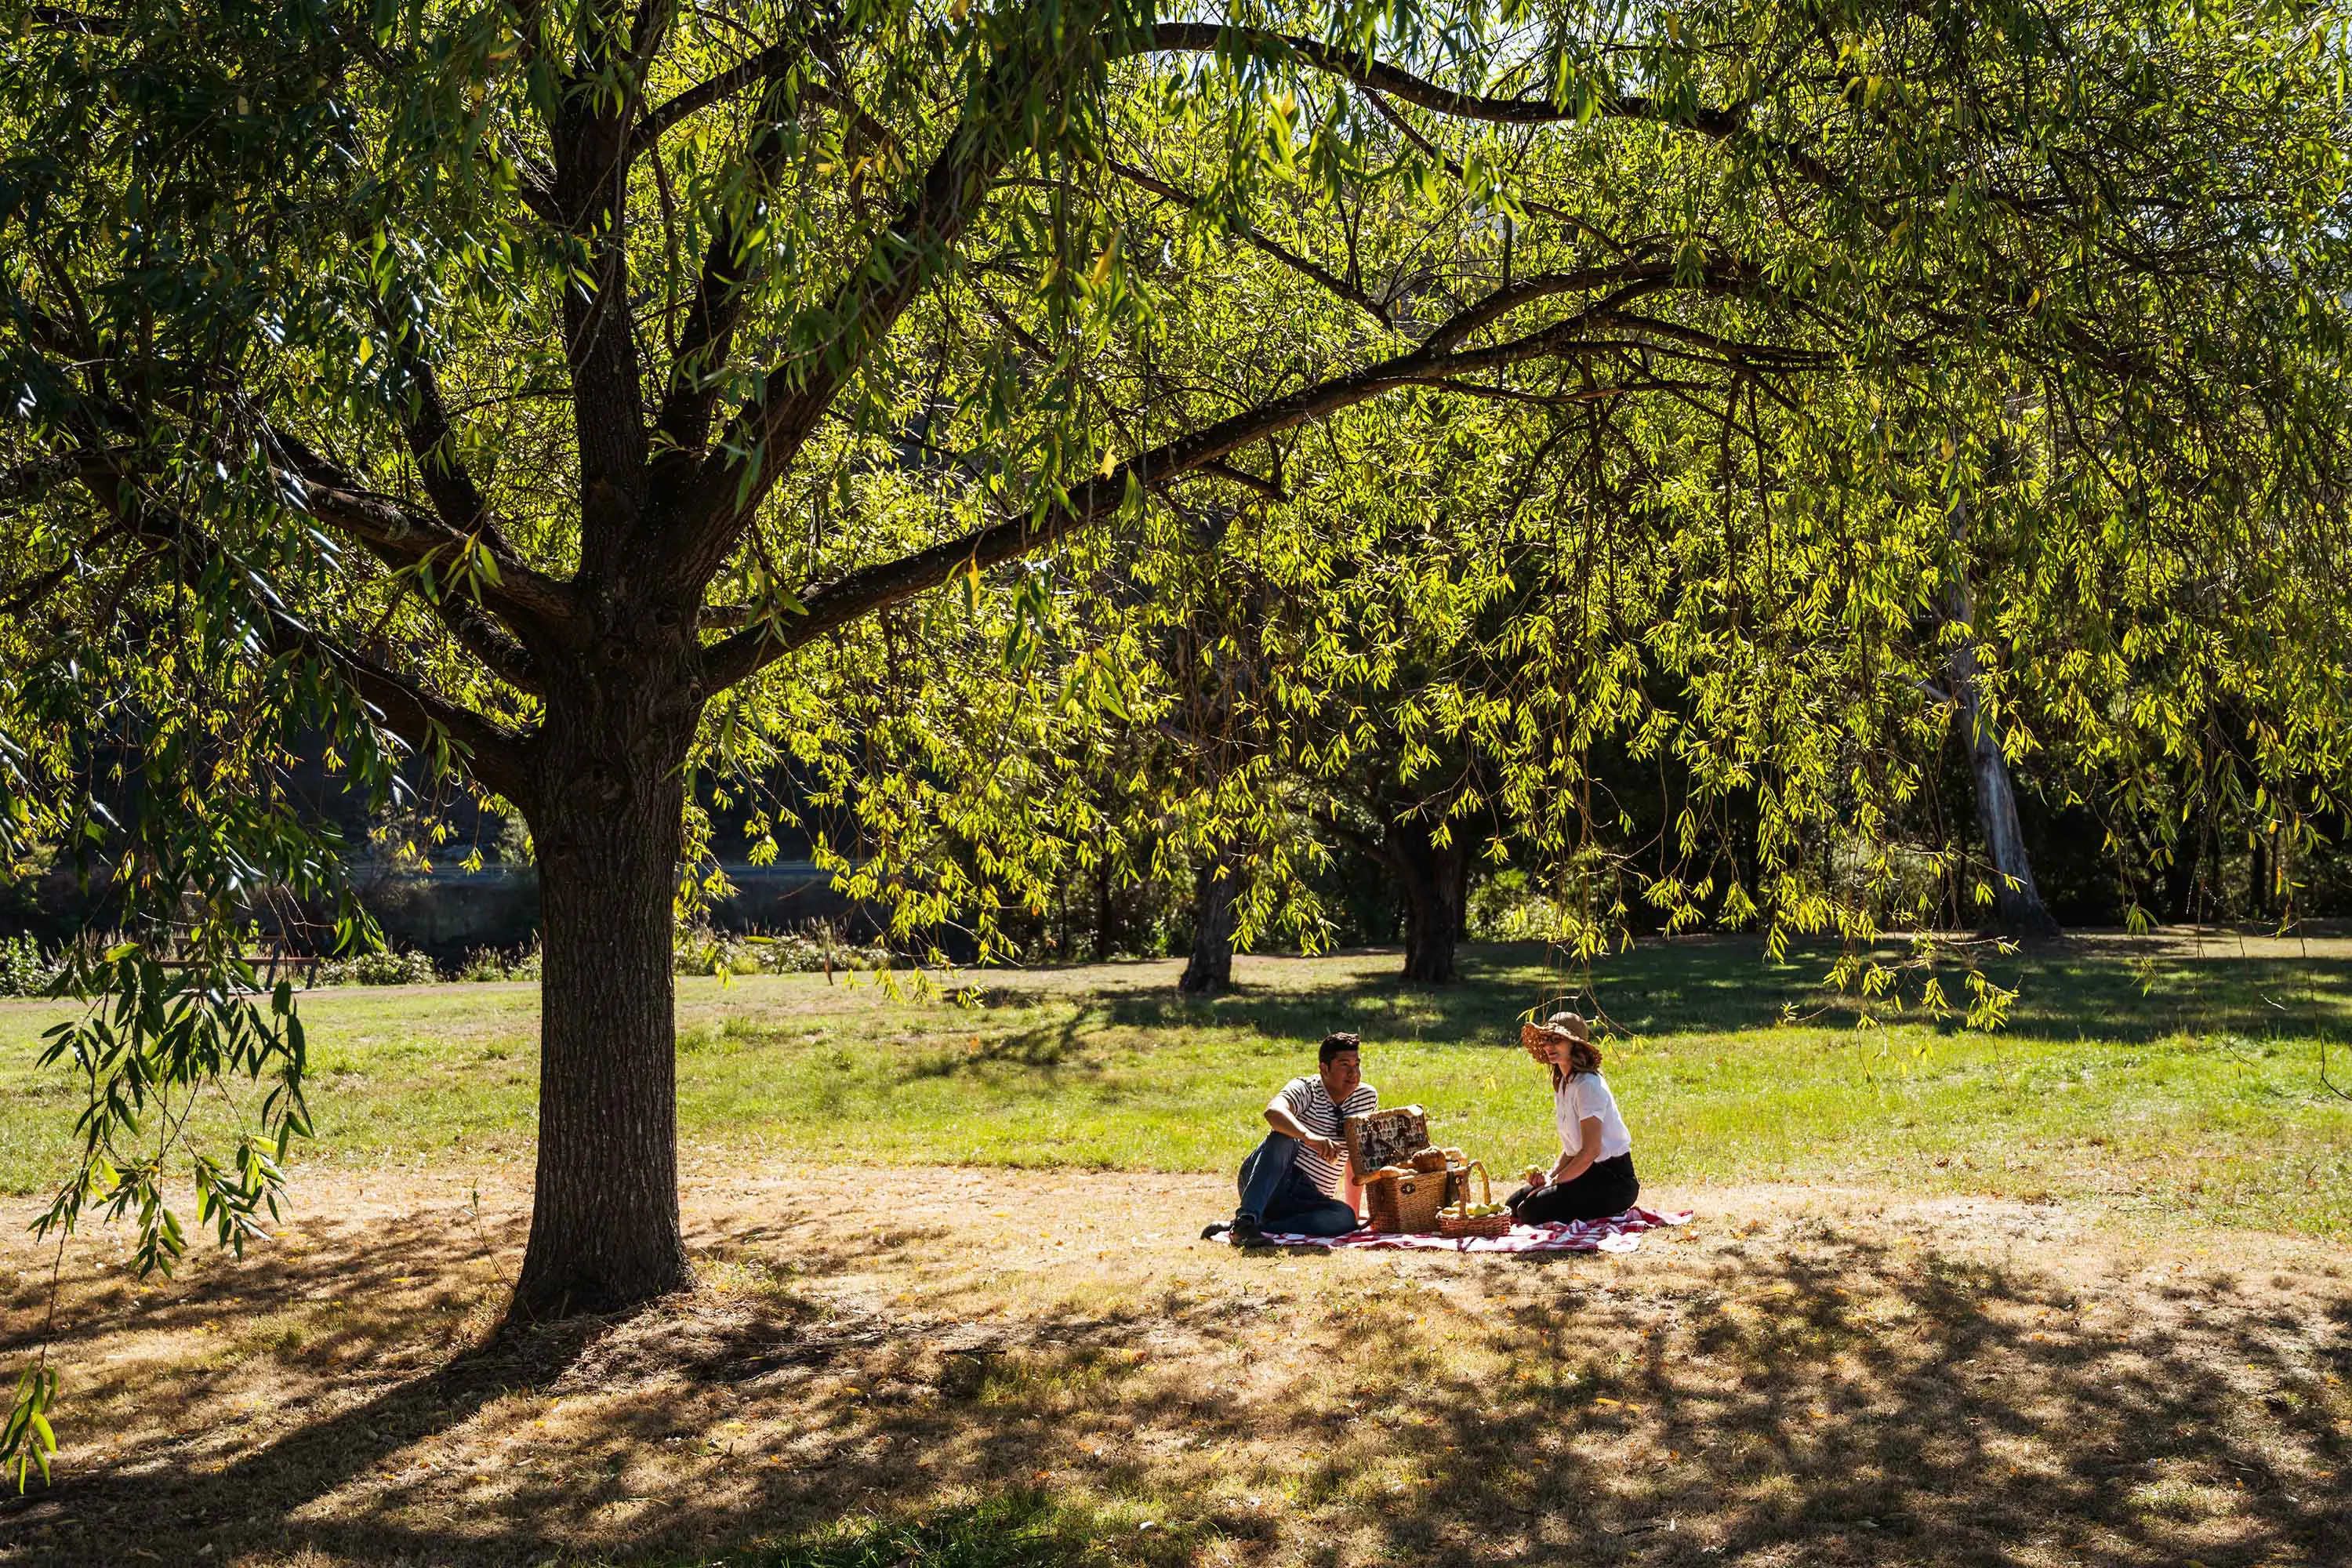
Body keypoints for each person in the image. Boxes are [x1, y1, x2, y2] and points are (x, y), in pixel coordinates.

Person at [1202, 1031, 1377, 1244]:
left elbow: (1357, 1160)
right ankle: (1246, 1219)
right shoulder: (1306, 1088)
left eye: (1356, 1064)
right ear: (1324, 1068)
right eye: (1344, 1065)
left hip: (1308, 1198)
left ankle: (1252, 1226)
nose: (1353, 1073)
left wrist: (1355, 1216)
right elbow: (1273, 1112)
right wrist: (1309, 1137)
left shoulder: (1366, 1097)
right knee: (1282, 1137)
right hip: (1270, 1180)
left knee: (1344, 1218)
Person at [1508, 1011, 1639, 1225]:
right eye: (1546, 1039)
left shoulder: (1587, 1085)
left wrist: (1555, 1183)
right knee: (1513, 1205)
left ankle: (1606, 1208)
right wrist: (1549, 1178)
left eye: (1557, 1039)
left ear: (1574, 1044)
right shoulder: (1564, 1082)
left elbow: (1590, 1151)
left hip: (1613, 1182)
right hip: (1586, 1172)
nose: (1549, 1045)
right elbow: (1572, 1150)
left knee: (1529, 1211)